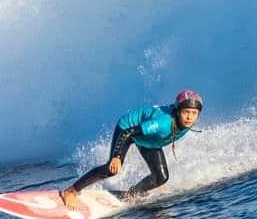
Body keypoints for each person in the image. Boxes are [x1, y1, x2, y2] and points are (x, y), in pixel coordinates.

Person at [61, 89, 203, 208]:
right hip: (128, 129)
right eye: (186, 112)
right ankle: (71, 191)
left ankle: (132, 194)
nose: (190, 117)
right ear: (178, 111)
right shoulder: (162, 123)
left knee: (161, 177)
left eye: (194, 113)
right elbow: (128, 133)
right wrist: (116, 156)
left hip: (148, 139)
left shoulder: (185, 123)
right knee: (113, 169)